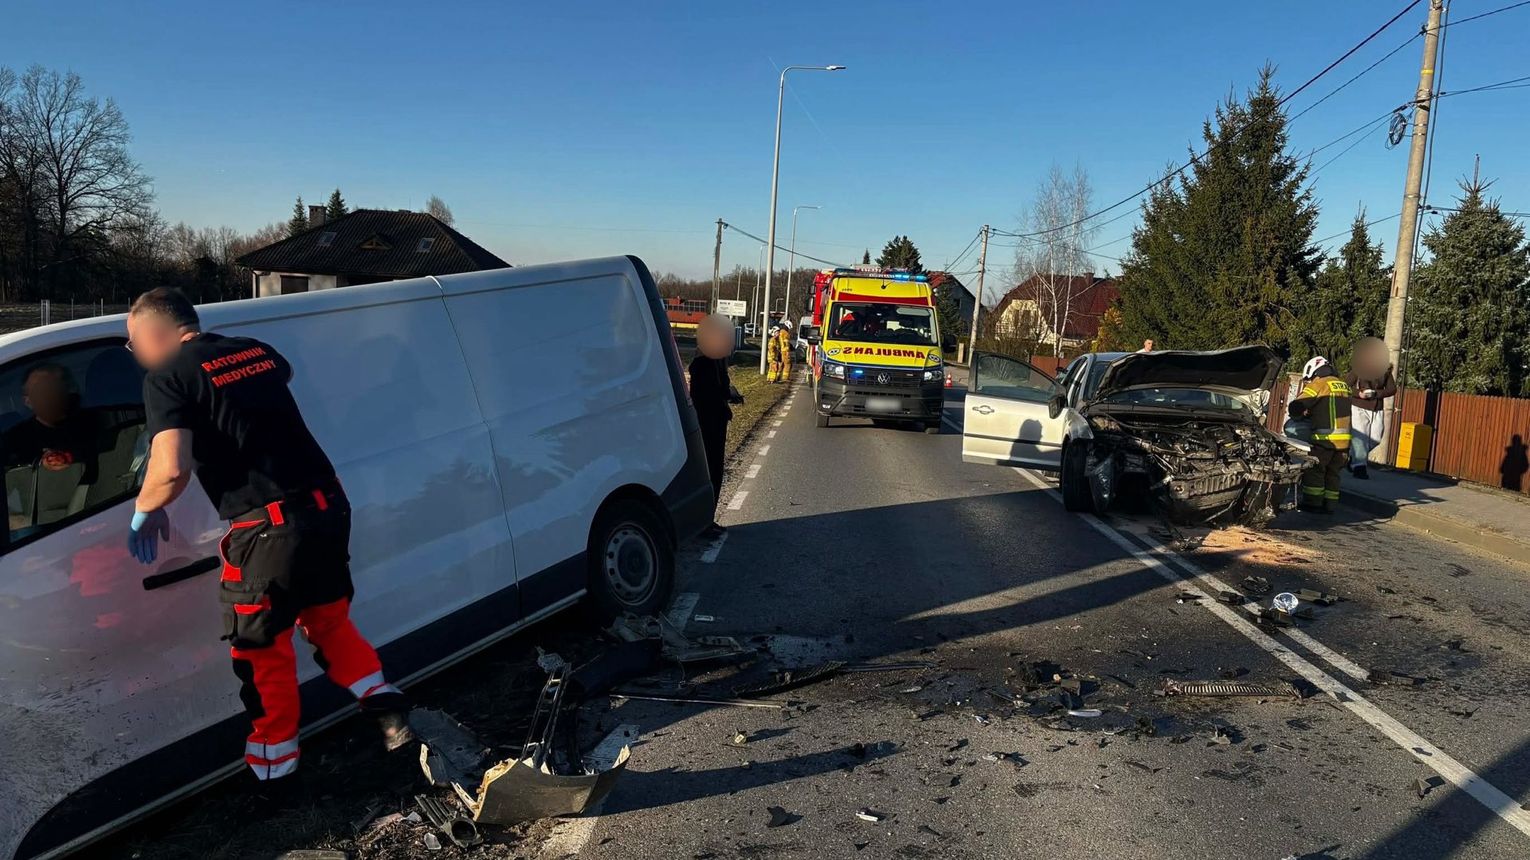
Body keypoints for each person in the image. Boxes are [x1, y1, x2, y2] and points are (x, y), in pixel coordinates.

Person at [124, 287, 411, 793]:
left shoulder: (167, 376)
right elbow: (280, 380)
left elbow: (170, 469)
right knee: (327, 620)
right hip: (327, 507)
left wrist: (145, 509)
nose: (136, 355)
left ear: (155, 334)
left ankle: (274, 774)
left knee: (260, 648)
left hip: (267, 527)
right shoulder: (255, 349)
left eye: (133, 344)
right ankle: (387, 711)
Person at [2, 363, 103, 482]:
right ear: (28, 401)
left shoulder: (94, 419)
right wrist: (41, 463)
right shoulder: (15, 439)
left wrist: (69, 457)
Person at [690, 314, 741, 537]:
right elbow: (706, 393)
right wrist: (724, 396)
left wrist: (730, 394)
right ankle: (702, 522)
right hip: (707, 422)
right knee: (710, 471)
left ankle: (706, 520)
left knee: (715, 471)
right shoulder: (702, 362)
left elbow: (722, 383)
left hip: (715, 420)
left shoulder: (715, 358)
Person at [1288, 356, 1352, 514]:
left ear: (1313, 372)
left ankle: (1313, 503)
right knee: (1333, 473)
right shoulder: (1343, 384)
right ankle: (1330, 505)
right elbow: (1331, 408)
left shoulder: (1320, 383)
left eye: (1308, 379)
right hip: (1344, 442)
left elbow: (1297, 405)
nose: (1309, 382)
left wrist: (1298, 415)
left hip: (1325, 440)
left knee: (1315, 470)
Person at [1343, 336, 1396, 480]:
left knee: (1375, 439)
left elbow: (1392, 389)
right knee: (1360, 439)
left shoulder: (1385, 370)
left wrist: (1376, 394)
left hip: (1377, 408)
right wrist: (1358, 394)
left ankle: (1353, 459)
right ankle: (1359, 468)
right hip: (1359, 406)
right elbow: (1345, 386)